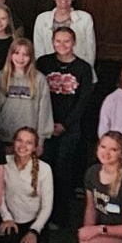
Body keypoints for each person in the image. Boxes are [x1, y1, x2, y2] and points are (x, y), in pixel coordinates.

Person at [37, 27, 95, 215]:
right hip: (45, 124)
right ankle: (41, 210)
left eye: (67, 41)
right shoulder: (43, 63)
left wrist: (64, 125)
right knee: (44, 167)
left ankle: (60, 213)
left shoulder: (83, 68)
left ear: (74, 42)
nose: (62, 45)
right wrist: (47, 123)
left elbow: (83, 102)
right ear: (52, 42)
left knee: (63, 168)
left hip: (70, 128)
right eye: (58, 41)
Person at [0, 127, 54, 243]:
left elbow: (47, 206)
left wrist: (34, 231)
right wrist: (6, 217)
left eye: (29, 143)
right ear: (13, 142)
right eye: (19, 140)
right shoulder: (4, 163)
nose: (23, 146)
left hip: (32, 221)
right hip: (11, 218)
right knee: (7, 237)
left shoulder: (44, 169)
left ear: (35, 147)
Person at [0, 38, 54, 143]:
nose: (20, 58)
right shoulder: (0, 77)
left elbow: (44, 111)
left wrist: (41, 140)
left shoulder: (39, 79)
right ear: (10, 55)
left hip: (29, 138)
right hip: (4, 136)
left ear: (31, 57)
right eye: (17, 53)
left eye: (25, 54)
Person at [33, 0, 96, 67]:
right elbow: (39, 50)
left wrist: (85, 73)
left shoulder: (85, 18)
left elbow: (90, 50)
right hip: (49, 70)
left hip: (78, 70)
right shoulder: (42, 19)